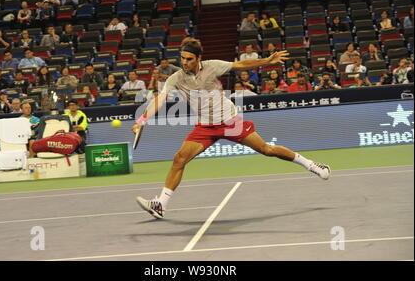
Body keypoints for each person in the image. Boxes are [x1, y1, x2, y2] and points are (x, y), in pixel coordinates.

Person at [134, 37, 331, 219]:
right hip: (205, 126)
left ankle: (312, 165)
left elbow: (241, 64)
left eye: (189, 59)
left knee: (267, 150)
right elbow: (160, 99)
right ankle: (161, 204)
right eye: (182, 58)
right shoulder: (176, 78)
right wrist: (142, 120)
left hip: (229, 121)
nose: (184, 62)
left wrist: (266, 61)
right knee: (179, 159)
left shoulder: (212, 66)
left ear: (198, 59)